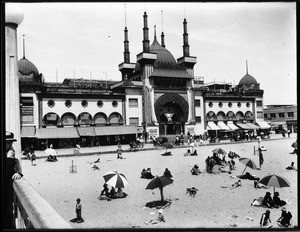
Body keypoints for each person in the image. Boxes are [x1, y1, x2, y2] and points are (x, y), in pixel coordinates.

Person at [3, 131, 23, 229]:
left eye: (11, 142)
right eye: (7, 142)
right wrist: (9, 159)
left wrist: (17, 174)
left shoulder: (14, 159)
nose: (10, 145)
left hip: (8, 197)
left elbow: (17, 171)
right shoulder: (10, 158)